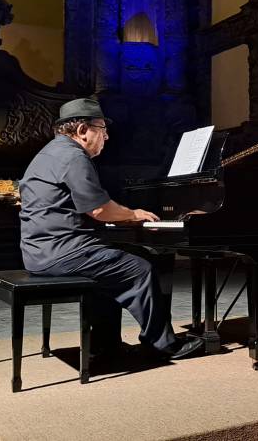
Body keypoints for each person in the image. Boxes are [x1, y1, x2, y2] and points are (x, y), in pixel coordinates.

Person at [18, 98, 204, 360]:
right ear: (82, 130)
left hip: (38, 251)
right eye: (102, 129)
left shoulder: (49, 153)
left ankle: (105, 344)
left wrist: (122, 217)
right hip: (62, 252)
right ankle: (162, 345)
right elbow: (99, 210)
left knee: (117, 265)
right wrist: (133, 214)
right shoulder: (73, 157)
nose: (106, 136)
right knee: (141, 268)